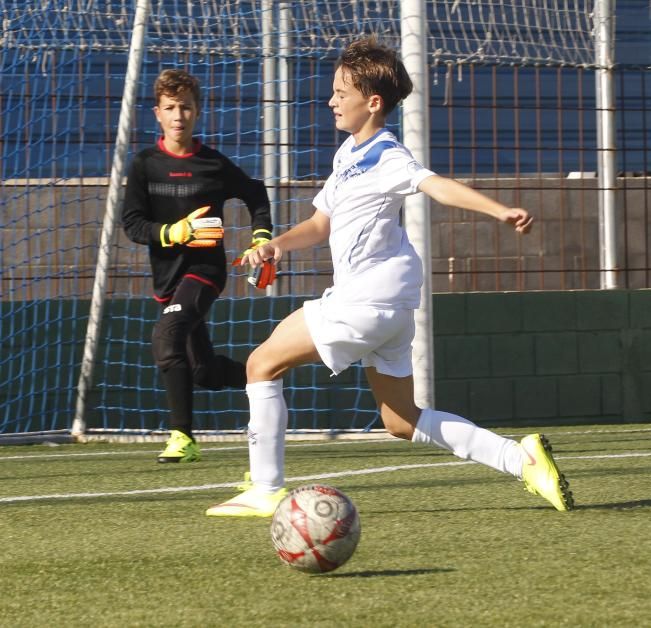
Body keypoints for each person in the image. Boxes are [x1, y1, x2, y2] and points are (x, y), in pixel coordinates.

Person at [206, 37, 573, 516]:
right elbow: (320, 224)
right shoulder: (347, 156)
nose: (332, 100)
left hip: (367, 300)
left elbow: (434, 185)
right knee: (401, 420)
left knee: (260, 364)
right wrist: (275, 244)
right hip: (392, 308)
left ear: (373, 102)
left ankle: (267, 487)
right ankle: (520, 458)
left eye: (342, 92)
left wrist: (499, 210)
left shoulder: (386, 155)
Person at [122, 69, 273, 463]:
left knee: (167, 338)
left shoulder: (213, 164)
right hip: (167, 279)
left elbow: (255, 194)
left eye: (185, 107)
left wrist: (260, 238)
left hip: (205, 271)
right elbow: (133, 224)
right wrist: (176, 232)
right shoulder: (144, 165)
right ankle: (265, 377)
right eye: (170, 108)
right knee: (204, 372)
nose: (178, 116)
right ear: (157, 113)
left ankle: (183, 438)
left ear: (197, 110)